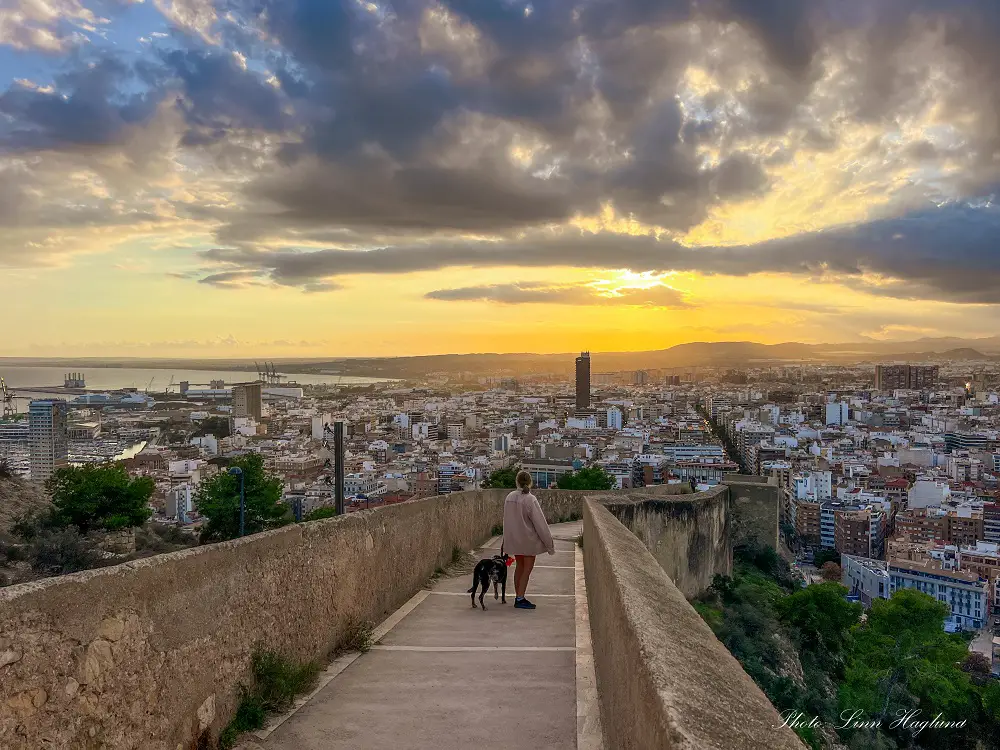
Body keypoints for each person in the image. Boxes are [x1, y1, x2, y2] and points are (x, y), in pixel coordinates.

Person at [502, 470, 555, 610]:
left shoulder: (509, 497)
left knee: (519, 567)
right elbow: (540, 523)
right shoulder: (530, 499)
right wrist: (549, 544)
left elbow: (506, 521)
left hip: (515, 540)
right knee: (527, 569)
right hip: (528, 540)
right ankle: (520, 598)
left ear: (517, 481)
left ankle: (518, 595)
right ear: (530, 482)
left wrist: (505, 541)